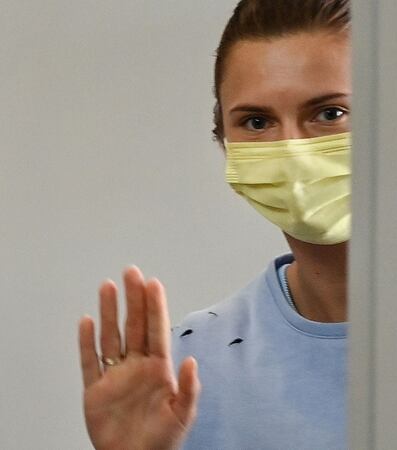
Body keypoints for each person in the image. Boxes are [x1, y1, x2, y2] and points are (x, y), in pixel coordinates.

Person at [77, 1, 352, 448]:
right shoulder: (187, 368)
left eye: (329, 114)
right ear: (224, 143)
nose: (291, 150)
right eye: (256, 122)